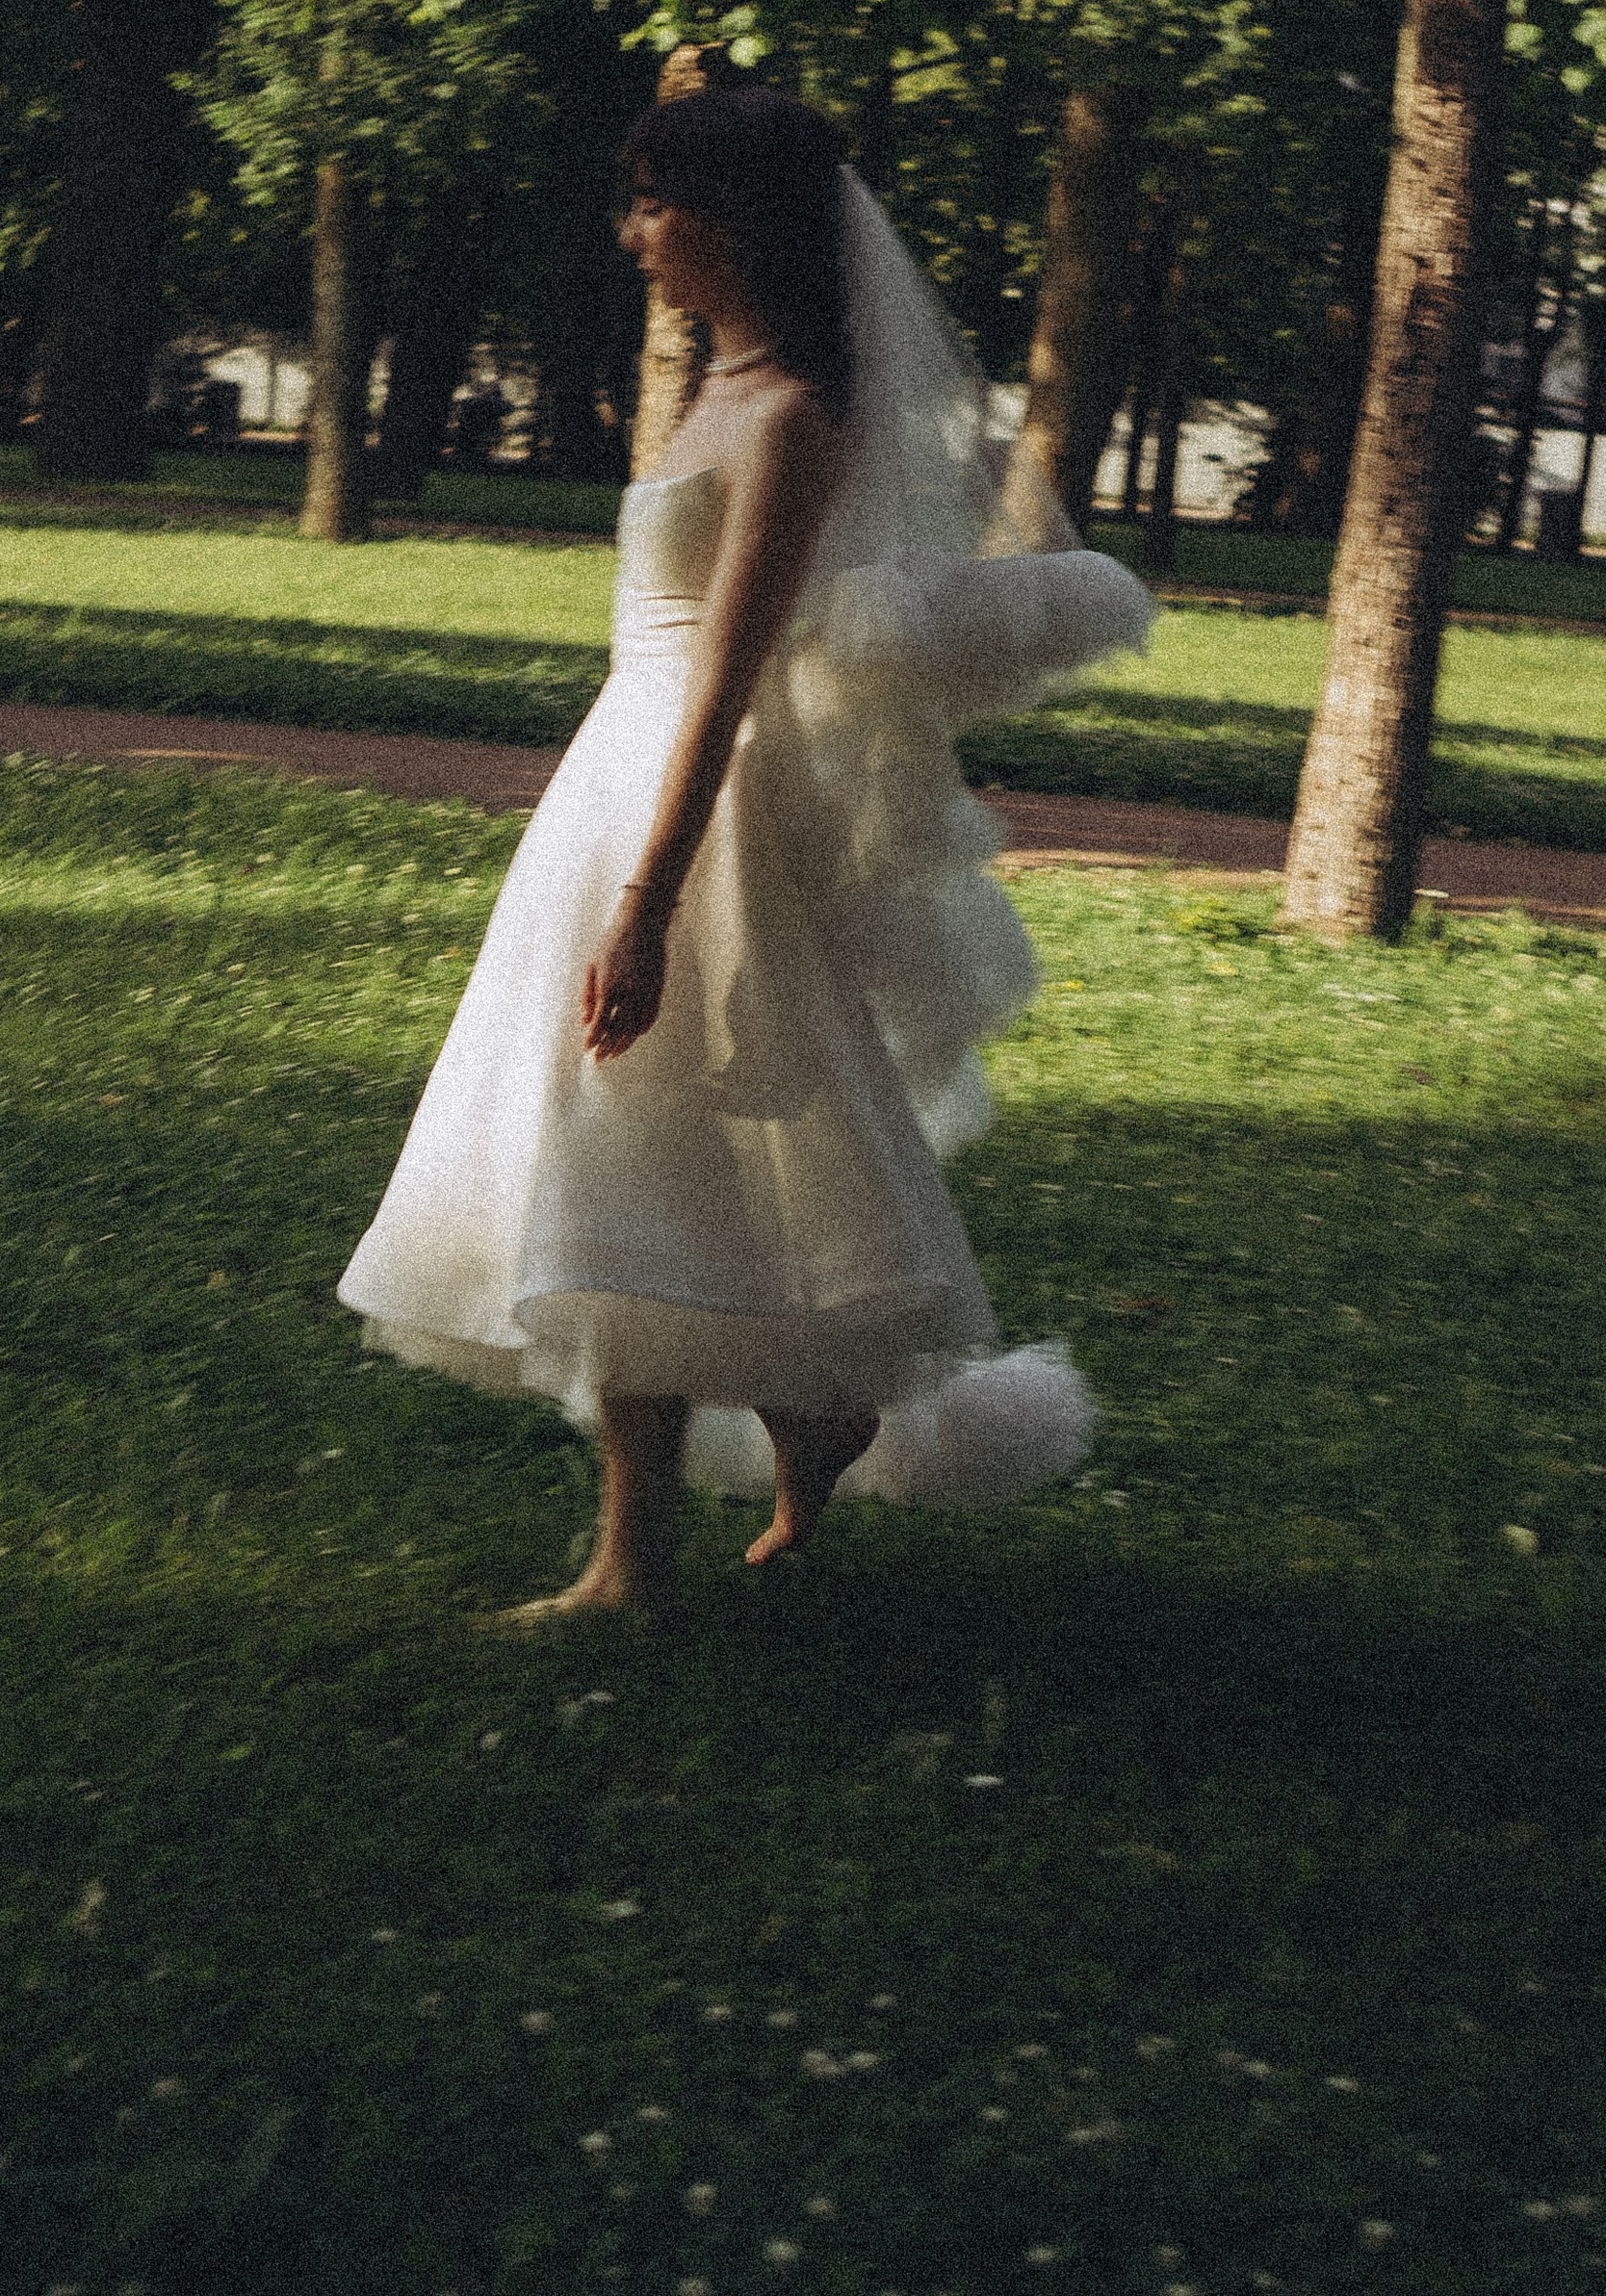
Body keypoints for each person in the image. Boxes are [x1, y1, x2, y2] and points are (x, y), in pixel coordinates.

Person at [337, 88, 1152, 1620]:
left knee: (680, 1141)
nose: (634, 233)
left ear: (736, 219)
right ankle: (720, 1486)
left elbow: (726, 673)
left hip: (703, 809)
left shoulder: (794, 420)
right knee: (622, 1158)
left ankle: (726, 1484)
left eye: (656, 203)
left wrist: (648, 901)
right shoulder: (723, 387)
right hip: (617, 779)